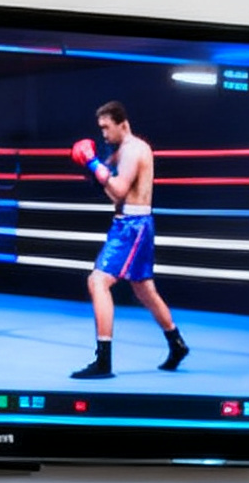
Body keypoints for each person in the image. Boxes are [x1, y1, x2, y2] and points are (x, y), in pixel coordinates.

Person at [68, 102, 189, 378]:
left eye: (106, 128)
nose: (103, 134)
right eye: (100, 129)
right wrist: (94, 171)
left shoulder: (134, 150)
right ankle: (176, 343)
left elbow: (120, 189)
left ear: (122, 123)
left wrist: (93, 163)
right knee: (144, 289)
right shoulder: (120, 151)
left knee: (98, 282)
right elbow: (112, 193)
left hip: (132, 227)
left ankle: (104, 361)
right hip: (130, 224)